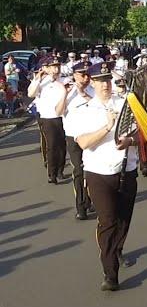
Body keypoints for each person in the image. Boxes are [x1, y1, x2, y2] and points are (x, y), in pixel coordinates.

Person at [71, 60, 139, 291]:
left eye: (108, 80)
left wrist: (130, 140)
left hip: (126, 170)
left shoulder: (127, 104)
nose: (106, 85)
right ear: (92, 82)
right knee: (108, 221)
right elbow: (83, 143)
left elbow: (143, 135)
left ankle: (117, 249)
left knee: (124, 219)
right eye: (100, 81)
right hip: (98, 173)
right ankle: (110, 273)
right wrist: (107, 128)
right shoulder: (84, 110)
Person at [61, 60, 95, 220]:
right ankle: (81, 206)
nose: (85, 78)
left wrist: (84, 94)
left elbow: (99, 106)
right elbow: (58, 110)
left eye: (87, 75)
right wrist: (65, 93)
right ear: (74, 75)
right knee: (78, 171)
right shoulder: (67, 91)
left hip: (92, 136)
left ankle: (91, 199)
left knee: (92, 170)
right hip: (73, 137)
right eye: (82, 75)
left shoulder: (93, 91)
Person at [27, 55, 68, 184]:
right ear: (47, 68)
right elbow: (31, 93)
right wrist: (37, 79)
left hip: (63, 117)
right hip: (47, 118)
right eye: (53, 67)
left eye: (58, 66)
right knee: (52, 146)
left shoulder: (64, 80)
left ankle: (60, 171)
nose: (56, 69)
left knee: (62, 146)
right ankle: (52, 173)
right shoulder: (41, 81)